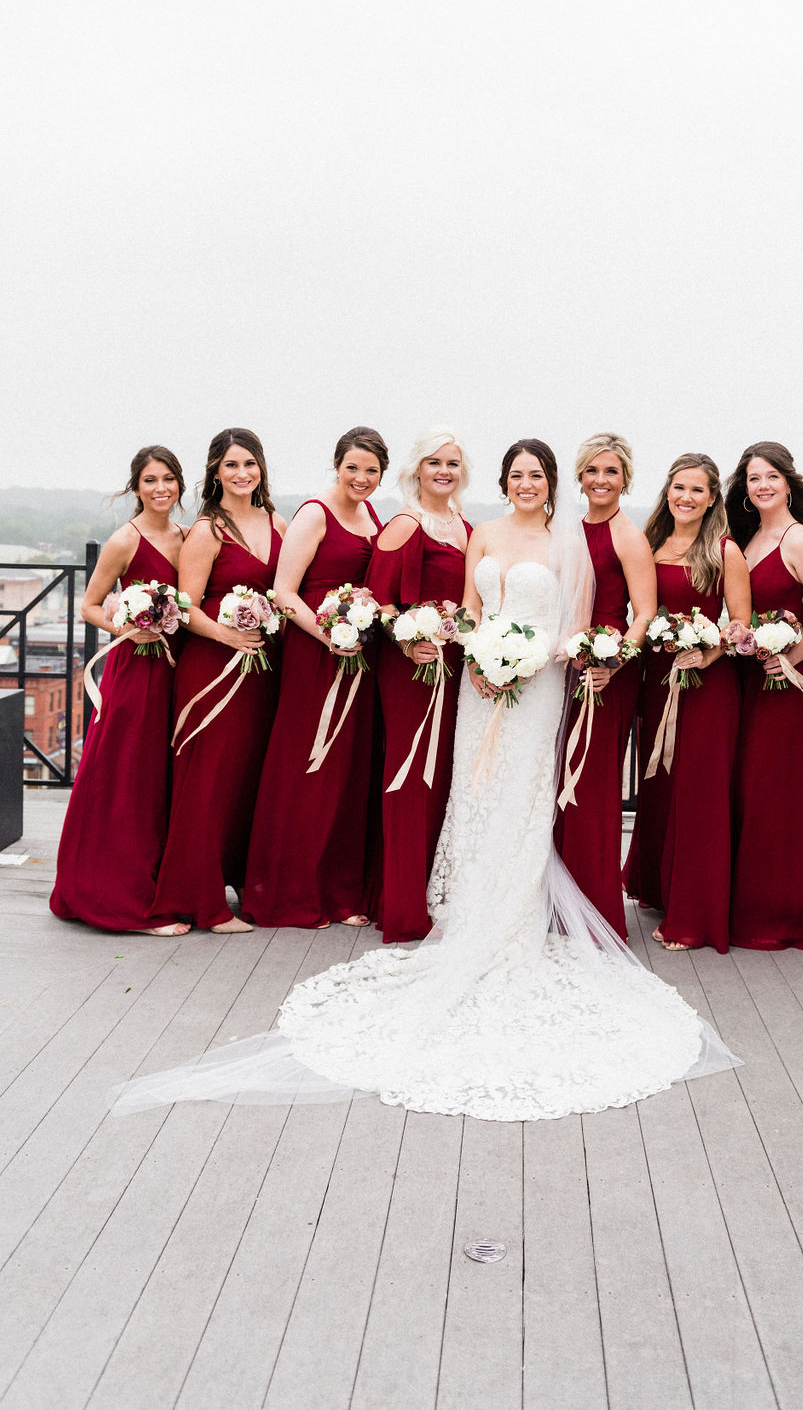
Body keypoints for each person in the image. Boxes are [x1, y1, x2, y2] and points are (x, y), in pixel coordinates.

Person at [111, 439, 739, 1120]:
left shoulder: (573, 543)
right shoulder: (485, 533)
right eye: (516, 475)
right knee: (474, 790)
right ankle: (466, 907)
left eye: (537, 475)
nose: (526, 484)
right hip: (478, 680)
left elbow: (582, 620)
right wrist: (480, 652)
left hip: (541, 685)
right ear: (502, 482)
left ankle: (515, 919)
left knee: (524, 796)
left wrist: (560, 656)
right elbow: (469, 609)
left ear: (552, 485)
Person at [243, 427, 387, 928]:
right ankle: (292, 892)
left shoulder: (371, 514)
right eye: (353, 468)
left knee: (348, 772)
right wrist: (330, 636)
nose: (361, 478)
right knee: (308, 766)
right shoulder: (313, 513)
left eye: (371, 470)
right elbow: (284, 591)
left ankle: (340, 892)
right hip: (316, 654)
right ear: (336, 465)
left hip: (359, 657)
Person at [50, 447, 190, 935]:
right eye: (150, 480)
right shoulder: (123, 541)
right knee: (129, 777)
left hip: (180, 671)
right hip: (136, 670)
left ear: (180, 485)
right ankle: (122, 896)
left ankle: (164, 884)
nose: (160, 489)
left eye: (169, 479)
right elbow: (89, 605)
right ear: (136, 487)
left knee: (166, 780)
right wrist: (130, 622)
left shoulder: (187, 536)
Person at [152, 429, 285, 932]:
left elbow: (289, 589)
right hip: (212, 669)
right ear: (214, 472)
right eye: (231, 465)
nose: (241, 473)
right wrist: (227, 637)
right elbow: (183, 605)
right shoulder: (207, 530)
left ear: (261, 468)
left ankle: (238, 879)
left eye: (249, 463)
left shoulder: (279, 522)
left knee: (244, 779)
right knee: (206, 781)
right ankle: (200, 900)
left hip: (260, 673)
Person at [623, 454, 750, 950]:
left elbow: (740, 626)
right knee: (663, 787)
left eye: (697, 490)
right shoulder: (650, 544)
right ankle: (659, 888)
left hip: (706, 688)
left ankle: (694, 917)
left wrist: (707, 652)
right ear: (667, 490)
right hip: (657, 681)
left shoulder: (724, 551)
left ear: (713, 497)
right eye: (679, 487)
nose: (686, 497)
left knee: (699, 797)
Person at [725, 441, 803, 952]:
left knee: (779, 792)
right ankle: (750, 905)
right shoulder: (749, 536)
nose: (762, 485)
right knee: (753, 788)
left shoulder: (800, 541)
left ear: (788, 482)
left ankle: (784, 914)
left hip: (789, 685)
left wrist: (789, 660)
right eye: (753, 478)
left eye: (771, 476)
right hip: (753, 680)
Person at [364, 428, 471, 943]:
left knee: (444, 780)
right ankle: (403, 906)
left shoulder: (466, 527)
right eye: (433, 462)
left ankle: (434, 891)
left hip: (455, 670)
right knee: (410, 778)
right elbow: (379, 601)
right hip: (412, 669)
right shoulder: (405, 525)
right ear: (417, 470)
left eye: (452, 463)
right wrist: (408, 642)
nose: (443, 471)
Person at [553, 433, 655, 939]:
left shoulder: (628, 535)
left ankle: (594, 910)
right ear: (579, 475)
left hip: (605, 672)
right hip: (563, 668)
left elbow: (646, 613)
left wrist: (614, 662)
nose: (600, 480)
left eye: (611, 472)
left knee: (591, 786)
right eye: (592, 470)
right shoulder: (567, 528)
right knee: (557, 782)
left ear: (625, 479)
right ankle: (557, 899)